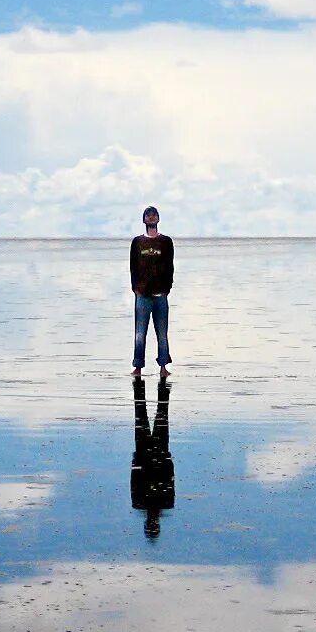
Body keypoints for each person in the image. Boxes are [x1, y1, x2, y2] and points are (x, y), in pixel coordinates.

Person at [129, 205, 173, 378]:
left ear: (158, 218)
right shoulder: (137, 242)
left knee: (162, 334)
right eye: (148, 215)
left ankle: (164, 367)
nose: (151, 217)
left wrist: (167, 288)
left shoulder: (166, 242)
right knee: (140, 334)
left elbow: (170, 266)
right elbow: (133, 267)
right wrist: (136, 289)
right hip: (143, 296)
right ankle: (137, 367)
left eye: (154, 215)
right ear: (144, 219)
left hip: (160, 295)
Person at [130, 377, 175, 540]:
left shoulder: (139, 504)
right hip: (159, 455)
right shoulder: (166, 504)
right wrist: (168, 459)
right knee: (161, 413)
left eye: (151, 525)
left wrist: (135, 462)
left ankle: (142, 383)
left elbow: (134, 482)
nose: (153, 522)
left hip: (144, 455)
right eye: (154, 525)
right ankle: (160, 383)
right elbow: (171, 480)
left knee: (142, 413)